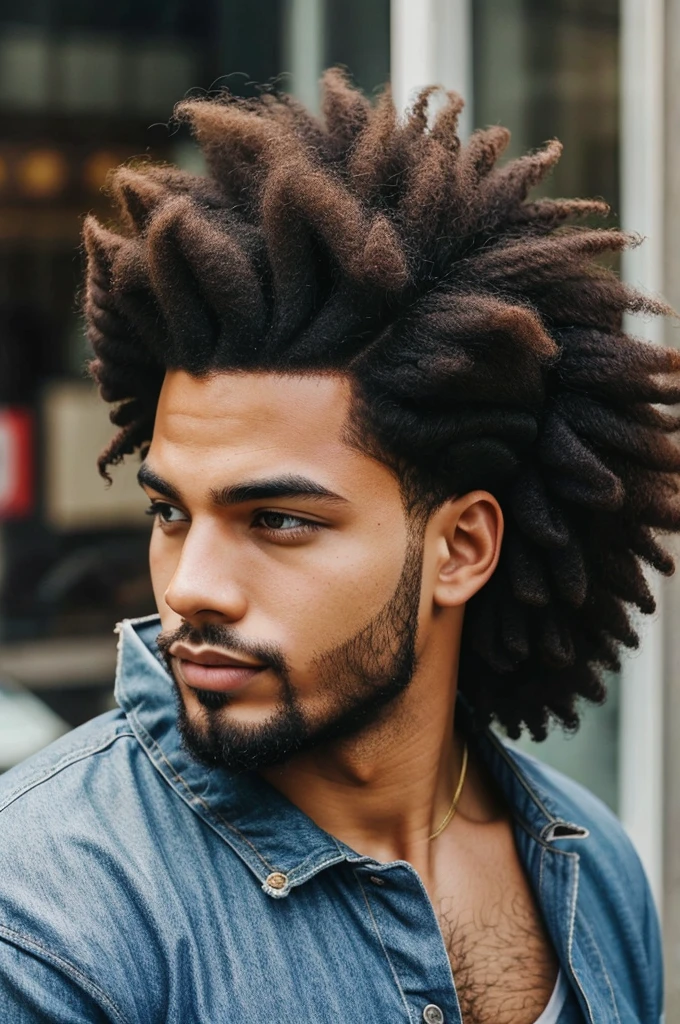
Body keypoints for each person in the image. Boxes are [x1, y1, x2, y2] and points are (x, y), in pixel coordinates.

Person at [0, 70, 675, 1024]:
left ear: (461, 547)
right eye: (171, 513)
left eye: (277, 521)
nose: (192, 588)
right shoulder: (46, 918)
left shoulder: (590, 871)